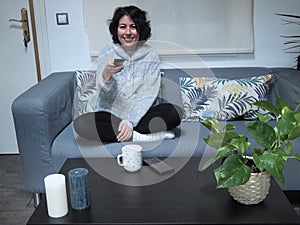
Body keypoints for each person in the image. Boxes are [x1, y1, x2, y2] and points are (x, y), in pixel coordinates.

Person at [74, 5, 182, 142]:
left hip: (141, 114)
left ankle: (127, 132)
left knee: (174, 112)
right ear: (116, 29)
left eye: (133, 27)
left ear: (140, 29)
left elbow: (148, 92)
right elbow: (104, 95)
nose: (128, 32)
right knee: (81, 124)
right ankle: (140, 137)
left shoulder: (150, 54)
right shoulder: (107, 52)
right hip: (112, 115)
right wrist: (106, 76)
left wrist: (130, 121)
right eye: (123, 27)